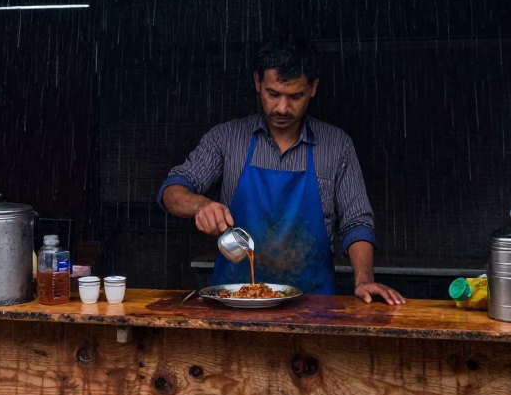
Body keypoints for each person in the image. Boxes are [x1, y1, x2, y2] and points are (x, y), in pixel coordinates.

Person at [158, 37, 404, 305]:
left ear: (313, 88)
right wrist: (200, 205)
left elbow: (357, 222)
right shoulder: (227, 139)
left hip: (315, 307)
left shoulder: (337, 146)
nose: (282, 108)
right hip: (234, 305)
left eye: (295, 96)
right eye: (273, 94)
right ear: (257, 83)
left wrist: (364, 279)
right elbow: (172, 190)